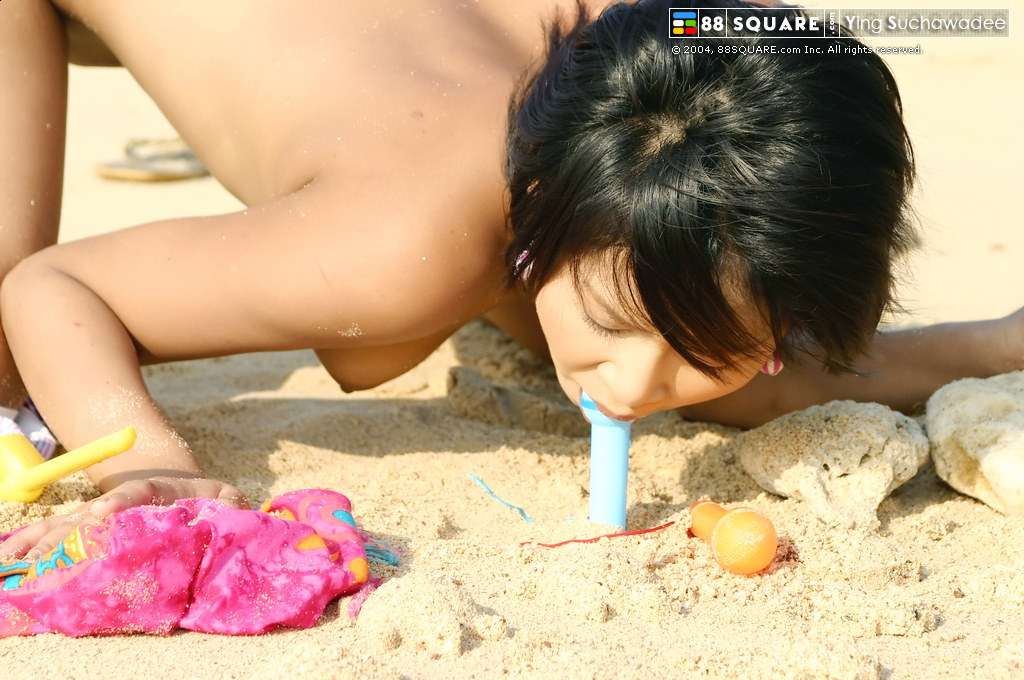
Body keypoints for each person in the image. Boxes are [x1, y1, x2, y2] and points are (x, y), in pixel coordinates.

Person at [0, 0, 1020, 561]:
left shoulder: (709, 68)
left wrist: (997, 341)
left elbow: (766, 366)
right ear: (544, 218)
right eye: (615, 324)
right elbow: (56, 289)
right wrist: (155, 465)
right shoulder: (403, 246)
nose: (631, 390)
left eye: (707, 350)